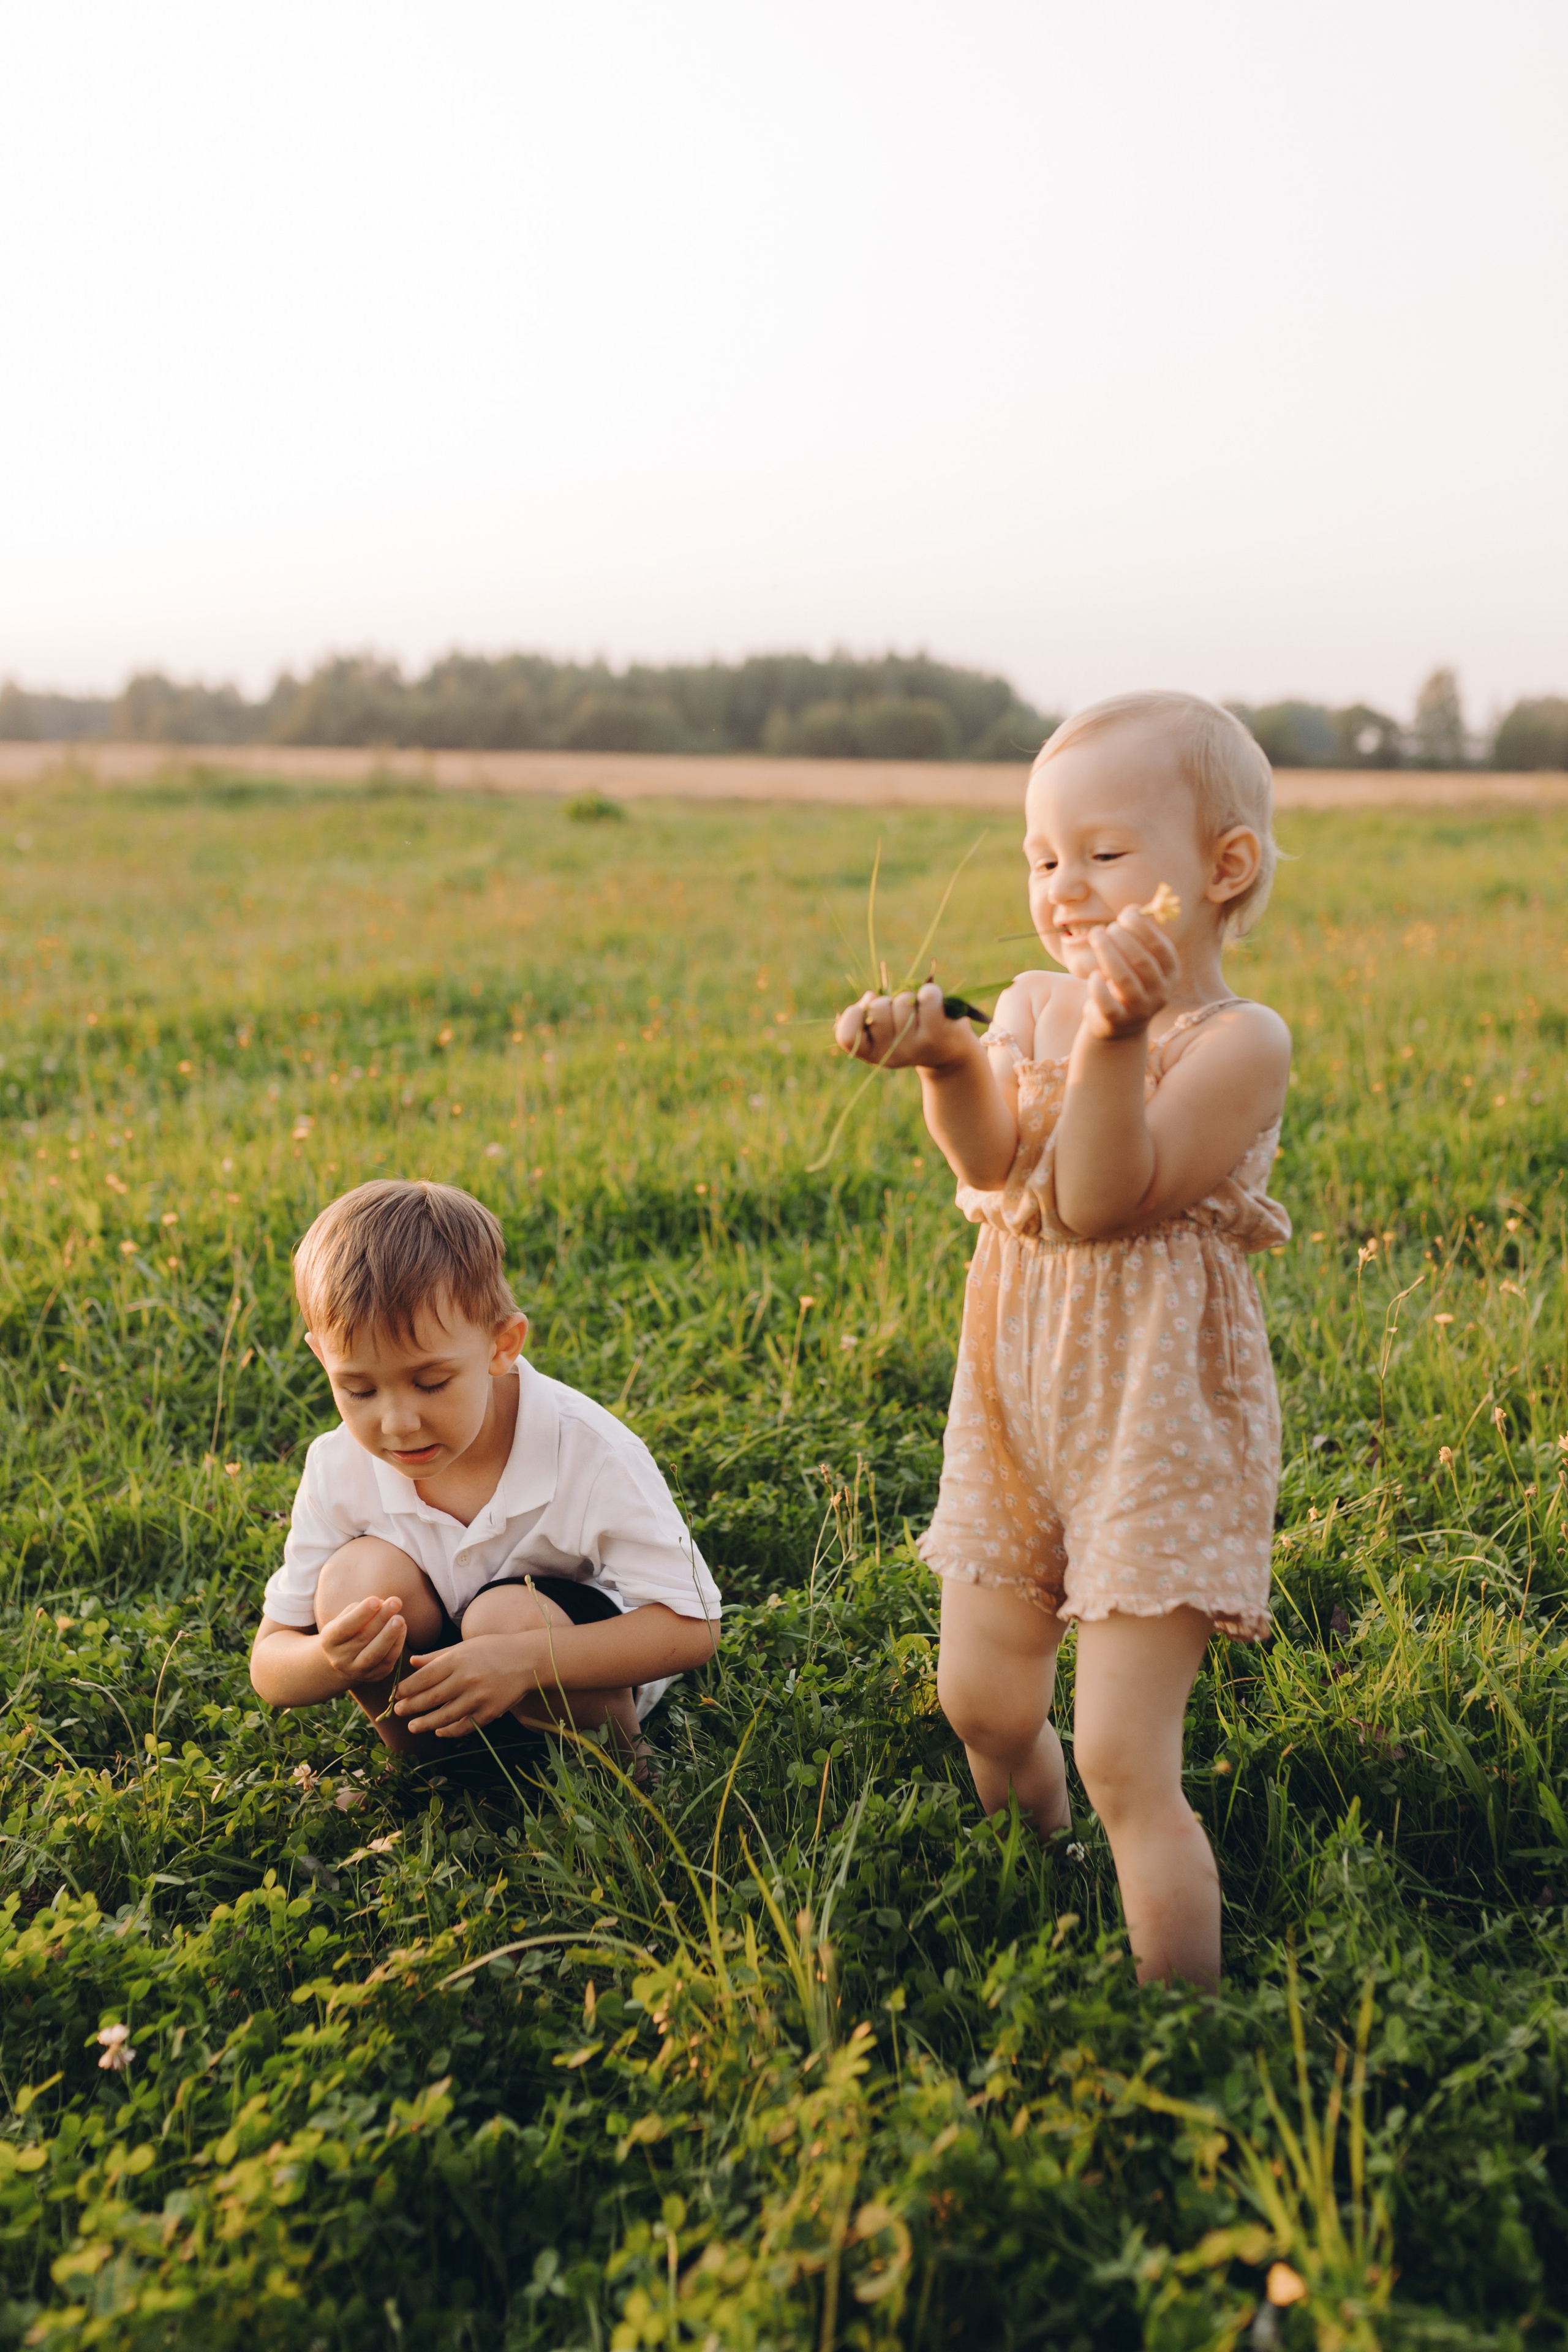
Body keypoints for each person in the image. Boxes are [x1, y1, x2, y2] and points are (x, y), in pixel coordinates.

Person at [834, 692, 1291, 1987]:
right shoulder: (1035, 1008)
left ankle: (1176, 2010)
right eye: (1040, 859)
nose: (1064, 889)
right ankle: (1028, 1873)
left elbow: (1098, 1197)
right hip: (1015, 1411)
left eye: (1100, 854)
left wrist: (1115, 1035)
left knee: (1119, 1758)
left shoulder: (1235, 1041)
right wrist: (942, 1062)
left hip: (1155, 1428)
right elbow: (994, 1162)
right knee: (980, 1702)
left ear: (1218, 869)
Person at [249, 1178, 721, 1766]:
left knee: (506, 1616)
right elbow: (270, 1662)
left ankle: (621, 1776)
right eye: (359, 1388)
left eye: (431, 1382)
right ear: (321, 1356)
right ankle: (436, 1777)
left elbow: (693, 1628)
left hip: (571, 1681)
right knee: (356, 1582)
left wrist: (519, 1659)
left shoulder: (587, 1450)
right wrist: (329, 1660)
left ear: (502, 1345)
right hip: (438, 1699)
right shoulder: (339, 1466)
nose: (397, 1423)